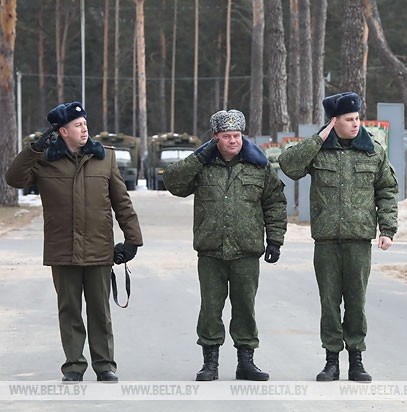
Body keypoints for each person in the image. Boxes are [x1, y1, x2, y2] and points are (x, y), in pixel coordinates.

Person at [5, 101, 143, 383]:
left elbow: (122, 203)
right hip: (62, 250)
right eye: (78, 126)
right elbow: (14, 179)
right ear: (63, 131)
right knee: (69, 312)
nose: (84, 129)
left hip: (99, 248)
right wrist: (33, 149)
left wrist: (133, 240)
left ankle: (105, 365)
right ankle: (74, 366)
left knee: (100, 312)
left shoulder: (105, 158)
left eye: (85, 124)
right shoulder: (44, 160)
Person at [278, 92, 398, 382]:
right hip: (327, 240)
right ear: (334, 121)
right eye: (348, 119)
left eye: (357, 118)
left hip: (359, 239)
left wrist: (388, 229)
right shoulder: (318, 150)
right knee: (329, 302)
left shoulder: (373, 150)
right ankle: (331, 360)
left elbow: (387, 190)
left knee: (356, 301)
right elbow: (289, 166)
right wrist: (319, 138)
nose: (356, 124)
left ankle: (356, 359)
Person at [163, 109, 287, 382]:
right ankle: (210, 363)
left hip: (246, 251)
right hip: (211, 250)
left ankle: (246, 362)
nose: (233, 141)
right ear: (215, 138)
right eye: (226, 136)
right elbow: (173, 183)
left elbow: (275, 202)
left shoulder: (258, 166)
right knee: (210, 308)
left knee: (245, 307)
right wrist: (199, 156)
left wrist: (275, 239)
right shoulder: (203, 165)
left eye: (237, 135)